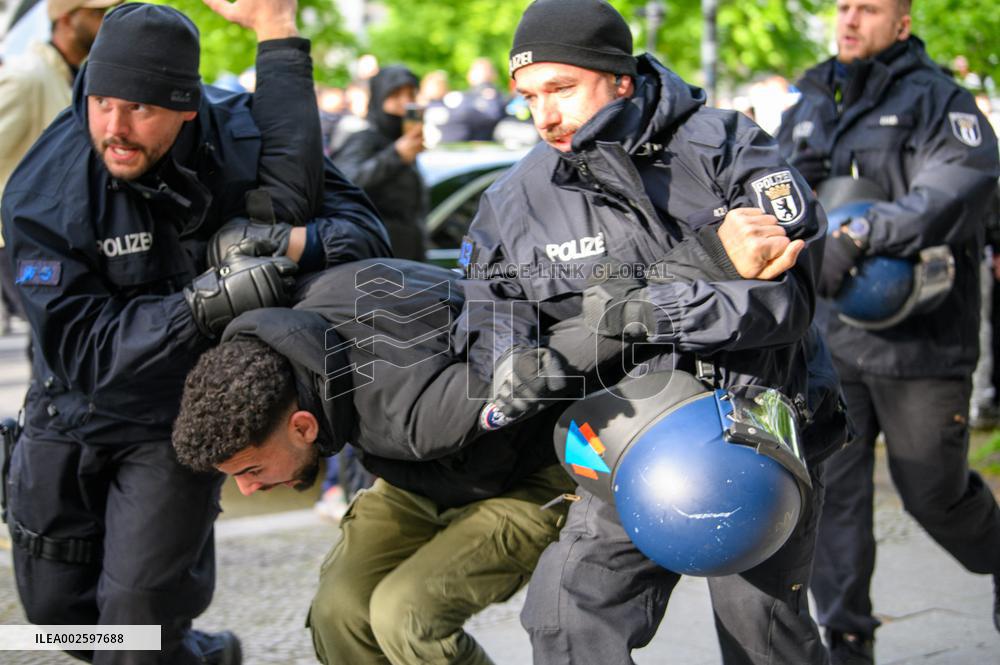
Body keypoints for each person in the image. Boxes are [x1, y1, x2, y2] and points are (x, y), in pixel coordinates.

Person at [456, 1, 846, 663]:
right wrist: (508, 354)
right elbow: (490, 301)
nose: (543, 115)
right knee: (565, 617)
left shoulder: (725, 145)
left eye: (561, 89)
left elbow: (790, 296)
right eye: (527, 97)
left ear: (621, 79)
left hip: (756, 427)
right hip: (629, 432)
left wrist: (649, 311)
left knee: (764, 636)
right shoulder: (515, 199)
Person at [0, 1, 389, 663]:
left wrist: (288, 242)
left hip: (177, 420)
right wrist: (202, 304)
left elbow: (365, 237)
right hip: (72, 405)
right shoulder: (44, 191)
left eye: (142, 109)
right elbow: (86, 351)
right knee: (57, 615)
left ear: (187, 106)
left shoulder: (241, 135)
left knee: (135, 614)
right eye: (103, 103)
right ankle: (203, 655)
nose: (114, 129)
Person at [172, 258, 577, 665]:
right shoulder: (297, 336)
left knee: (406, 616)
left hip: (530, 476)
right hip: (418, 479)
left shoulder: (405, 411)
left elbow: (522, 342)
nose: (247, 490)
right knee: (338, 613)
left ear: (302, 427)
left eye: (251, 471)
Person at [776, 0, 1000, 662]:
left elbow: (959, 185)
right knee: (833, 497)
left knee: (932, 489)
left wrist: (862, 233)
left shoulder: (941, 100)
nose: (848, 19)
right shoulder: (812, 96)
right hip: (828, 339)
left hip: (922, 341)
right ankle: (847, 638)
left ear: (901, 22)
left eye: (867, 8)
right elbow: (772, 186)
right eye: (842, 7)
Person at [0, 0, 121, 331]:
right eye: (97, 14)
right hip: (24, 243)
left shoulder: (78, 77)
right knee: (61, 343)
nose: (107, 22)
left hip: (68, 238)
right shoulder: (27, 78)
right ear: (66, 19)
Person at [333, 65, 429, 261]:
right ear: (379, 98)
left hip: (407, 255)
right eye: (395, 95)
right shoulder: (364, 139)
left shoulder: (400, 142)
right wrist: (395, 156)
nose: (405, 103)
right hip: (375, 257)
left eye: (410, 94)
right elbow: (345, 183)